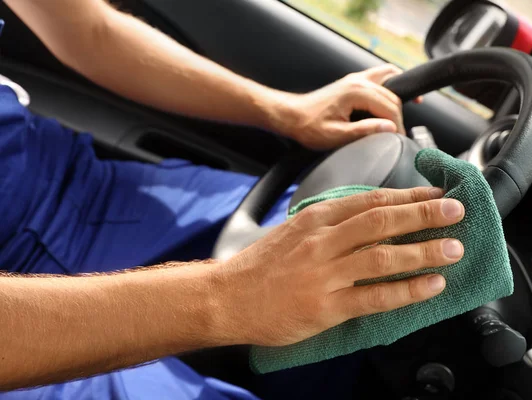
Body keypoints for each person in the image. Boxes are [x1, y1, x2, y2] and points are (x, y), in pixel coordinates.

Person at [0, 0, 466, 399]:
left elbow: (90, 31)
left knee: (343, 235)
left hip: (79, 182)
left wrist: (284, 110)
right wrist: (227, 298)